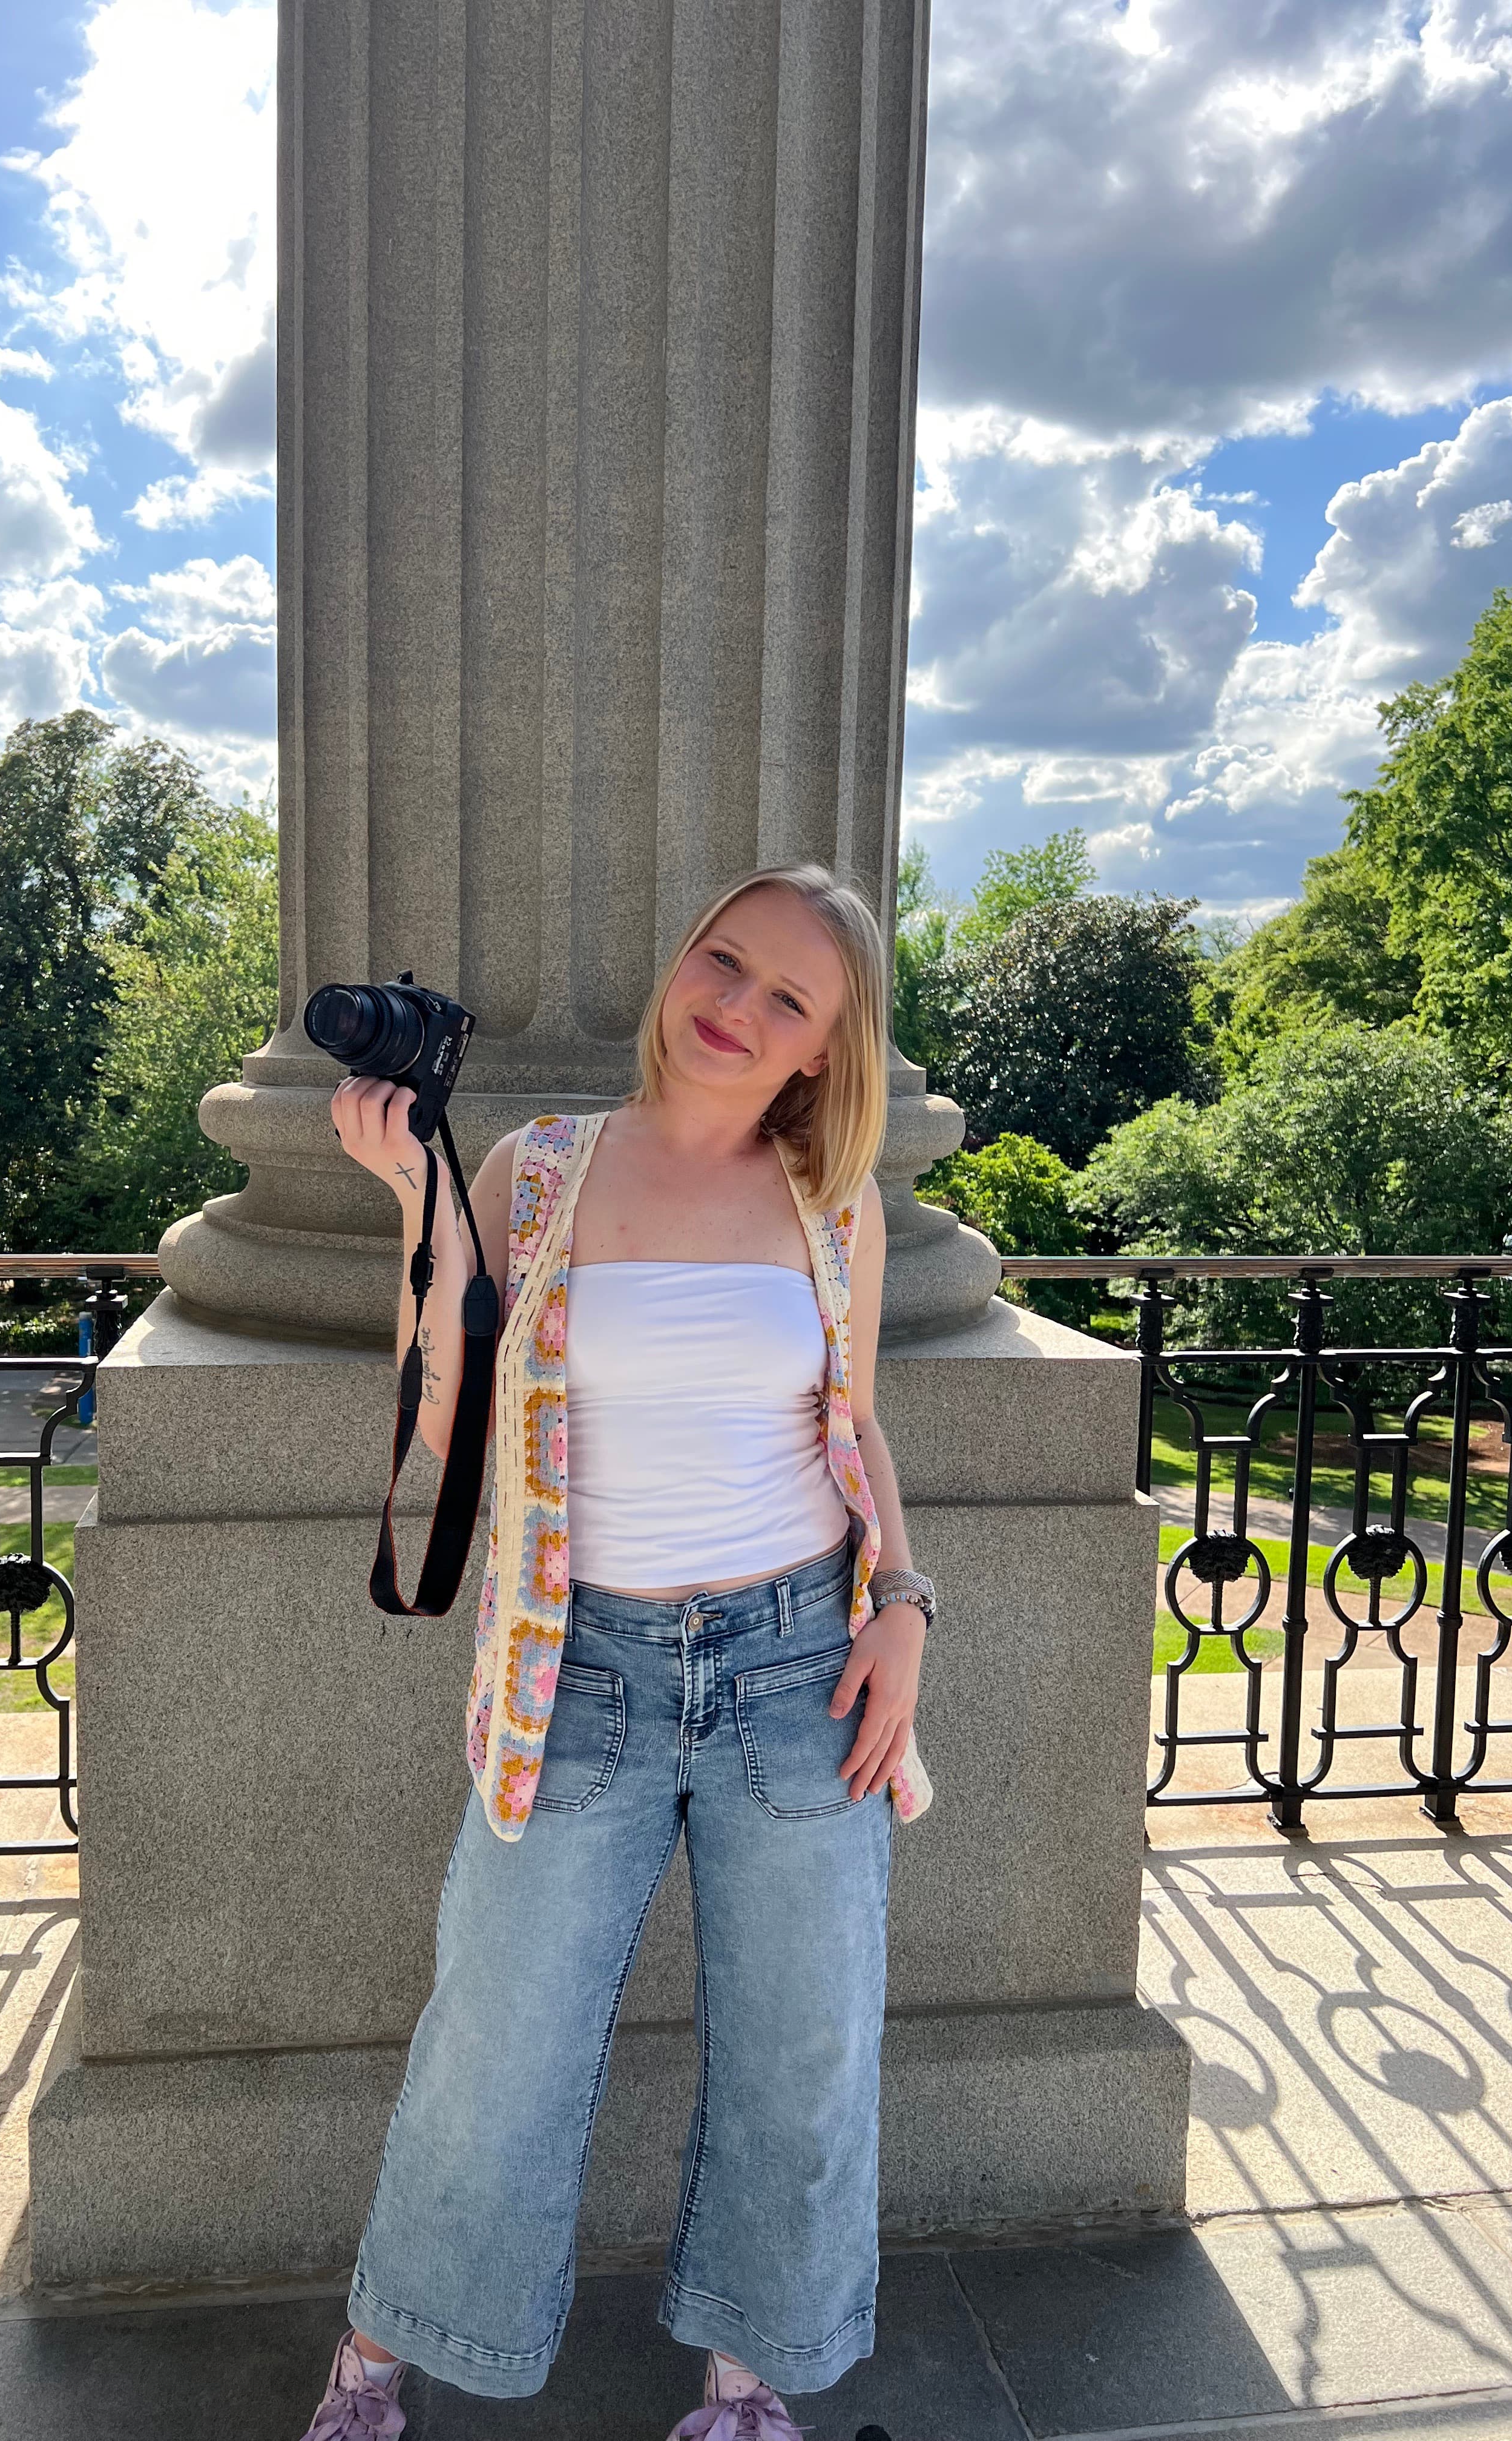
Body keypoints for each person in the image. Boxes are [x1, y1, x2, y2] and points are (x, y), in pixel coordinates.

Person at [304, 863, 935, 2441]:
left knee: (802, 2058)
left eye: (788, 997)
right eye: (724, 962)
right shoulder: (538, 1172)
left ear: (825, 1049)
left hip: (803, 1670)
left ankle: (745, 2393)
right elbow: (447, 1420)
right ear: (681, 964)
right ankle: (375, 2371)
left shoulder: (827, 1202)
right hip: (573, 1676)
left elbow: (850, 1423)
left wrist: (907, 1608)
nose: (737, 1005)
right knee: (494, 2054)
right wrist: (416, 1216)